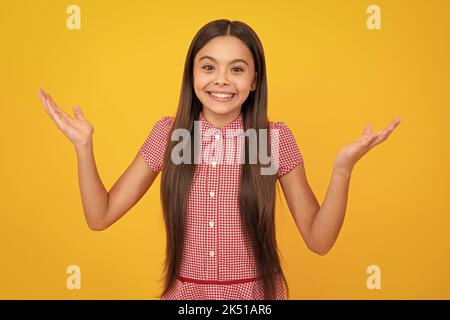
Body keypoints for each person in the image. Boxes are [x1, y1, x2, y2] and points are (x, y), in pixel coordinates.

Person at [38, 19, 402, 300]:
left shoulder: (270, 140)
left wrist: (342, 169)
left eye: (237, 69)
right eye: (209, 67)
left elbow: (319, 241)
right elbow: (99, 216)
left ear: (255, 79)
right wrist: (83, 147)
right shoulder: (171, 135)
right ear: (192, 74)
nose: (222, 80)